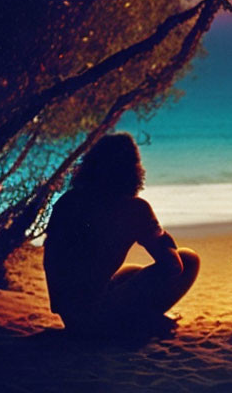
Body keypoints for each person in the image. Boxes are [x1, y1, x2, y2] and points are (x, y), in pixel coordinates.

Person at [44, 133, 200, 338]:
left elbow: (51, 261)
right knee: (188, 259)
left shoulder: (68, 201)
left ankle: (120, 320)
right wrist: (160, 235)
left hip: (70, 315)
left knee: (131, 270)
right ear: (132, 170)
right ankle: (135, 322)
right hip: (96, 318)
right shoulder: (134, 209)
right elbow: (172, 265)